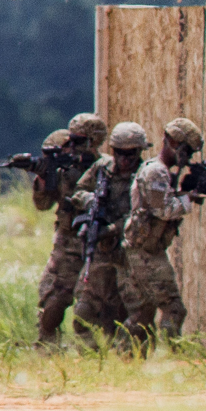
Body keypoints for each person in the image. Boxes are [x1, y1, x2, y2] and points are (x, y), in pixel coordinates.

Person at [119, 117, 202, 343]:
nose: (186, 157)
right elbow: (163, 210)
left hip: (143, 251)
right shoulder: (157, 171)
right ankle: (172, 355)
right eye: (185, 150)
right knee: (173, 308)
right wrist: (189, 198)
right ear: (171, 143)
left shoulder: (160, 171)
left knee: (142, 314)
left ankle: (125, 355)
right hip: (146, 254)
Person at [68, 121, 146, 347]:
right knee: (83, 310)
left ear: (139, 152)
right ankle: (93, 360)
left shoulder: (145, 175)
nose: (124, 160)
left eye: (130, 154)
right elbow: (78, 192)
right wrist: (90, 201)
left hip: (130, 254)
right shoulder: (101, 169)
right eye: (120, 153)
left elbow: (142, 214)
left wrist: (111, 229)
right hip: (102, 253)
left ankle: (128, 360)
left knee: (134, 314)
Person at [32, 113, 106, 345]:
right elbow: (42, 205)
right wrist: (44, 179)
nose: (71, 145)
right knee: (53, 300)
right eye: (70, 140)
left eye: (78, 140)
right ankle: (47, 348)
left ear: (92, 141)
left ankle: (96, 353)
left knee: (93, 305)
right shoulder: (63, 167)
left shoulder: (107, 168)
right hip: (67, 242)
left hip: (100, 242)